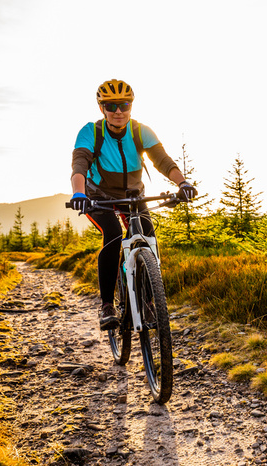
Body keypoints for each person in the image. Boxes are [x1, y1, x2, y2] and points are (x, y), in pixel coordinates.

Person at [69, 79, 197, 331]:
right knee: (113, 235)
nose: (118, 111)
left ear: (131, 106)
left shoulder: (141, 131)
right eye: (111, 105)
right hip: (98, 196)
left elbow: (162, 160)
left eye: (124, 105)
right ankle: (107, 305)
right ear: (102, 108)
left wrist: (183, 183)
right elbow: (80, 164)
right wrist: (79, 194)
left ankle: (149, 300)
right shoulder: (91, 132)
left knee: (147, 235)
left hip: (133, 195)